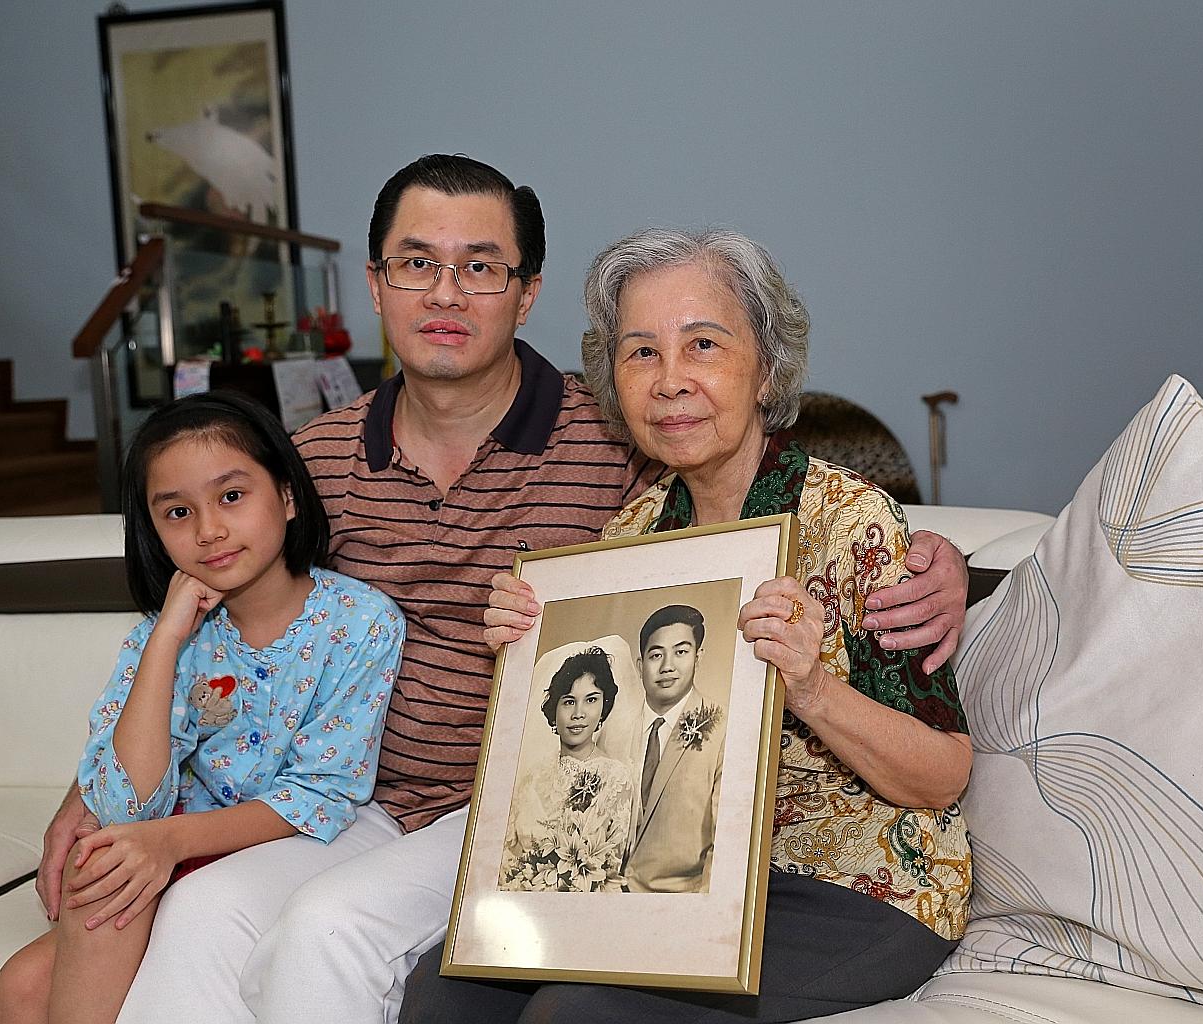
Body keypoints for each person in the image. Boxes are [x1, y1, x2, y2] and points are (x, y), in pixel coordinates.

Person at [32, 155, 971, 1023]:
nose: (446, 292)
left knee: (355, 939)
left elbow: (820, 560)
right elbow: (208, 592)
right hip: (369, 810)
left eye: (480, 267)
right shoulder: (309, 466)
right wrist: (95, 797)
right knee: (219, 926)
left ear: (524, 296)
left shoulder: (617, 456)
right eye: (415, 263)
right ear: (375, 285)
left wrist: (943, 563)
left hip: (570, 831)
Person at [405, 227, 973, 1024]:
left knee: (576, 1013)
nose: (670, 381)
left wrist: (809, 688)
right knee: (444, 991)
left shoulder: (851, 522)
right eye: (640, 353)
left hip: (853, 887)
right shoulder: (629, 540)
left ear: (766, 367)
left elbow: (944, 774)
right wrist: (533, 651)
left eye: (702, 344)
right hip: (682, 881)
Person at [0, 392, 403, 1024]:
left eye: (231, 497)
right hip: (174, 845)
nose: (208, 530)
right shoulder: (162, 635)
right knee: (19, 988)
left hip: (278, 849)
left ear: (287, 497)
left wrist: (164, 841)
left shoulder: (359, 622)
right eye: (177, 512)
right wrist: (167, 641)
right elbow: (124, 802)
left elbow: (321, 794)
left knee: (114, 867)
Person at [501, 646, 633, 892]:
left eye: (591, 700)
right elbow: (507, 855)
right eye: (569, 702)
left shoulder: (615, 778)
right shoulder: (532, 776)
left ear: (604, 707)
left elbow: (606, 868)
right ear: (554, 709)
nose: (578, 714)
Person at [621, 604, 723, 893]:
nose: (667, 666)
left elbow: (726, 843)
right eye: (656, 655)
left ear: (697, 657)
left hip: (679, 903)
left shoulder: (723, 730)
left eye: (681, 652)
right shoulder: (614, 727)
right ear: (641, 666)